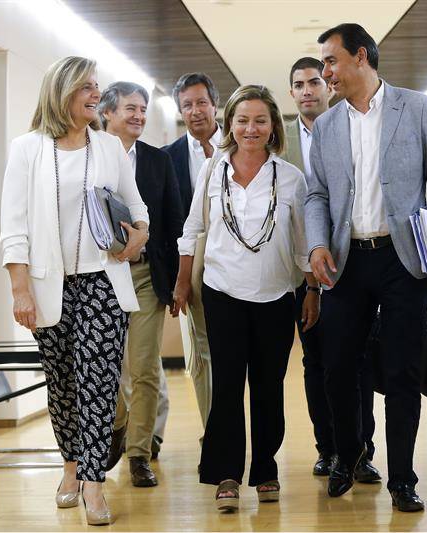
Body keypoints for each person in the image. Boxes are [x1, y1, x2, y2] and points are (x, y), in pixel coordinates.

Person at [306, 23, 427, 512]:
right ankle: (349, 453)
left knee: (402, 371)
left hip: (403, 260)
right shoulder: (328, 125)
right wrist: (316, 246)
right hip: (346, 261)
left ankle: (403, 479)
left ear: (360, 57)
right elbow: (317, 194)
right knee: (337, 368)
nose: (325, 73)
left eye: (331, 62)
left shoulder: (415, 107)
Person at [0, 56, 149, 526]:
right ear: (62, 91)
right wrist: (20, 288)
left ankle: (93, 483)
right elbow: (14, 225)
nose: (95, 94)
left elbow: (138, 209)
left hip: (103, 282)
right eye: (87, 86)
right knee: (63, 384)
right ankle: (70, 466)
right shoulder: (27, 149)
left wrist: (138, 236)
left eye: (96, 86)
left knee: (99, 383)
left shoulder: (108, 147)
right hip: (48, 286)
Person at [173, 85, 318, 512]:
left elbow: (301, 243)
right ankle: (227, 474)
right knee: (227, 387)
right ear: (230, 124)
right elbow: (192, 232)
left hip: (276, 296)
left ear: (273, 126)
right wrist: (183, 283)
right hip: (222, 293)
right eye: (242, 120)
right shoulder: (212, 171)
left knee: (269, 388)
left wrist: (312, 291)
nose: (250, 128)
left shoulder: (291, 177)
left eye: (259, 120)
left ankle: (267, 467)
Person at [281, 56, 380, 481]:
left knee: (357, 360)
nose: (308, 90)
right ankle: (330, 448)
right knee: (316, 363)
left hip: (347, 263)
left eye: (315, 82)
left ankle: (362, 450)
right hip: (299, 270)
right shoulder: (277, 139)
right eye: (299, 84)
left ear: (328, 86)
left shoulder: (351, 126)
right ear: (292, 93)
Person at [98, 81, 185, 486]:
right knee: (107, 367)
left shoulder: (157, 160)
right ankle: (118, 426)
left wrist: (175, 282)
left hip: (147, 276)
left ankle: (139, 453)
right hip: (99, 277)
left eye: (143, 109)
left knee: (145, 366)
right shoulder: (88, 154)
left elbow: (171, 222)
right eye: (130, 108)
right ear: (108, 113)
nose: (138, 116)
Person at [163, 72, 222, 436]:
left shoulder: (240, 147)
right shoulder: (166, 159)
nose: (196, 111)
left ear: (215, 104)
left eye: (202, 102)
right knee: (202, 354)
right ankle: (213, 431)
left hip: (241, 262)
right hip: (193, 263)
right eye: (187, 105)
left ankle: (233, 427)